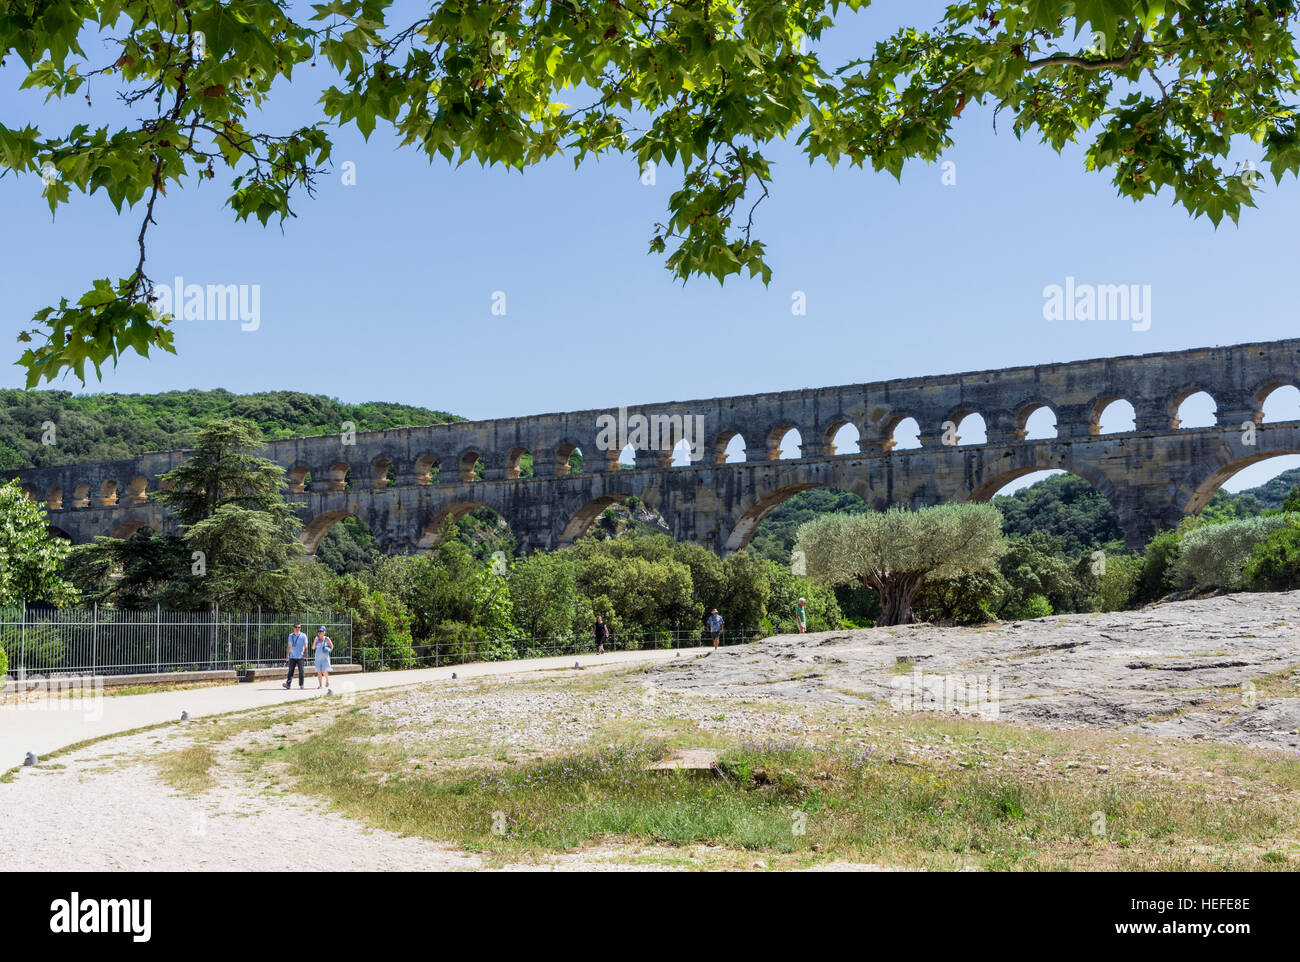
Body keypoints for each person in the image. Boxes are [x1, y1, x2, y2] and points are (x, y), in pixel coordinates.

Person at [284, 623, 308, 689]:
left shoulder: (303, 635)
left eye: (299, 627)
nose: (297, 629)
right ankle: (288, 684)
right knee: (290, 671)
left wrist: (305, 653)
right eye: (296, 627)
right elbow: (289, 646)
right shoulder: (290, 636)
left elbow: (306, 645)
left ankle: (301, 684)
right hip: (292, 656)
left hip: (300, 656)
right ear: (293, 628)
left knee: (301, 671)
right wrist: (287, 655)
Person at [312, 626, 334, 692]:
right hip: (318, 658)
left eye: (321, 631)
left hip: (325, 658)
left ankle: (327, 680)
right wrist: (315, 641)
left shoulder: (326, 639)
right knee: (319, 672)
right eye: (319, 631)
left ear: (324, 632)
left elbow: (332, 647)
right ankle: (320, 685)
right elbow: (313, 648)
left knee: (324, 671)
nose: (320, 633)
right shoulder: (316, 639)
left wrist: (328, 650)